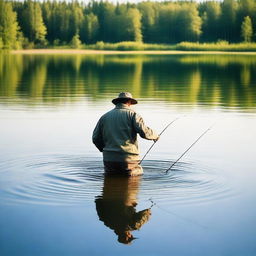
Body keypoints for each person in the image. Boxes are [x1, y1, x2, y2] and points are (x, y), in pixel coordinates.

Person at [92, 92, 159, 176]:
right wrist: (155, 135)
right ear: (129, 102)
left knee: (111, 181)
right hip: (129, 159)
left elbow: (95, 138)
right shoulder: (133, 114)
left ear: (117, 102)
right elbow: (144, 132)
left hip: (109, 159)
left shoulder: (104, 117)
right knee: (136, 176)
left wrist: (105, 150)